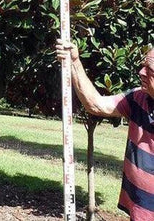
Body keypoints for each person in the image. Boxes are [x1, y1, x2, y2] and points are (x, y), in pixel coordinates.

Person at [56, 40, 154, 221]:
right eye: (143, 66)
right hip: (139, 209)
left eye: (149, 69)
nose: (141, 72)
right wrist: (75, 63)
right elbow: (96, 104)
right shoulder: (136, 98)